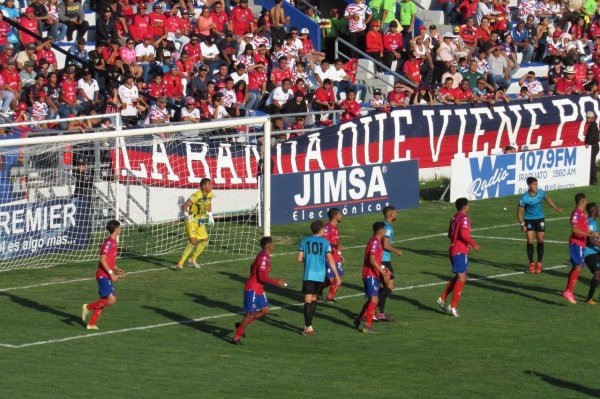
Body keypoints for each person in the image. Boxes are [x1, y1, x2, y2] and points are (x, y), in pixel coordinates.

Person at [231, 236, 287, 345]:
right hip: (252, 289)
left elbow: (252, 267)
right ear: (269, 245)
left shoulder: (262, 255)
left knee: (265, 311)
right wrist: (277, 282)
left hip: (259, 289)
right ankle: (235, 338)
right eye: (273, 243)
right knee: (250, 315)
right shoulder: (264, 258)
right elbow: (261, 276)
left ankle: (241, 325)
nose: (274, 245)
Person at [437, 197, 480, 317]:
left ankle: (442, 299)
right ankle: (453, 306)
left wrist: (462, 243)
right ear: (465, 206)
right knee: (462, 278)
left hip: (453, 248)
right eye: (468, 205)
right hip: (459, 250)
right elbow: (464, 234)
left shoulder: (454, 217)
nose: (469, 207)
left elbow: (450, 235)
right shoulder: (465, 218)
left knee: (458, 277)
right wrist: (474, 244)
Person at [297, 220, 341, 336]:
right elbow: (330, 259)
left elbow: (299, 259)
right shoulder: (325, 242)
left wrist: (308, 258)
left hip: (309, 275)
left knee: (307, 301)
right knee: (314, 299)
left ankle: (308, 327)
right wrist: (336, 275)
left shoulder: (304, 241)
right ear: (321, 230)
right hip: (320, 276)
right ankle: (310, 325)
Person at [81, 220, 125, 330]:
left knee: (103, 300)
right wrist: (111, 273)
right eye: (119, 227)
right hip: (103, 275)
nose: (121, 229)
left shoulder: (114, 242)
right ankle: (87, 307)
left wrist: (117, 269)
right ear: (115, 229)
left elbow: (109, 261)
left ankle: (91, 324)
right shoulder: (109, 242)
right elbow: (102, 259)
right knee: (112, 300)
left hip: (106, 275)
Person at [517, 177, 562, 274]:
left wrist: (556, 208)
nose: (536, 186)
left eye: (536, 184)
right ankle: (531, 264)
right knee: (530, 240)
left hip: (540, 219)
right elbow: (519, 212)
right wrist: (522, 224)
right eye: (534, 184)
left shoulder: (541, 193)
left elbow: (547, 199)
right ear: (529, 186)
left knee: (541, 240)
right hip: (529, 220)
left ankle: (539, 263)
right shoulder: (524, 198)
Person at [355, 221, 390, 333]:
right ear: (380, 230)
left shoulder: (377, 242)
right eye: (384, 229)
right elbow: (371, 259)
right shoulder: (375, 242)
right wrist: (382, 272)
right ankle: (367, 326)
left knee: (372, 298)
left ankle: (359, 319)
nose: (385, 230)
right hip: (369, 274)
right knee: (374, 299)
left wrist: (383, 269)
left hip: (373, 274)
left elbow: (376, 261)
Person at [563, 193, 597, 304]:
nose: (586, 202)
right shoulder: (576, 214)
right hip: (576, 243)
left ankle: (569, 291)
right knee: (579, 267)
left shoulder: (583, 214)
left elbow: (585, 230)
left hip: (581, 244)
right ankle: (568, 291)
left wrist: (594, 234)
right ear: (582, 201)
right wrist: (588, 235)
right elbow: (574, 229)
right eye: (586, 201)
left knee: (578, 267)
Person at [177, 178, 215, 269]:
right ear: (203, 186)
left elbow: (209, 204)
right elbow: (185, 206)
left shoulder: (210, 194)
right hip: (191, 220)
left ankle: (193, 258)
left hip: (201, 220)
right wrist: (187, 215)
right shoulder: (196, 195)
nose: (211, 186)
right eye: (209, 184)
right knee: (193, 241)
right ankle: (180, 262)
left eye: (211, 184)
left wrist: (210, 216)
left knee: (205, 240)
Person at [377, 205, 403, 321]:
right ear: (390, 214)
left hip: (382, 259)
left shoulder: (384, 226)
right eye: (395, 212)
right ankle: (372, 310)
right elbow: (385, 245)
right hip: (384, 260)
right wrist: (397, 250)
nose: (396, 214)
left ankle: (379, 313)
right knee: (389, 286)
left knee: (383, 286)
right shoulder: (387, 228)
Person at [320, 208, 345, 303]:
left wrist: (339, 254)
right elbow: (324, 242)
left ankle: (329, 297)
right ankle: (317, 290)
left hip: (335, 257)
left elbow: (335, 243)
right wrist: (335, 246)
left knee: (338, 279)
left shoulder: (335, 228)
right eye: (339, 214)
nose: (341, 216)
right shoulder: (327, 228)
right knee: (331, 280)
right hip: (328, 257)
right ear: (335, 216)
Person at [583, 203, 600, 304]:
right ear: (592, 211)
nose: (599, 210)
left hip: (596, 250)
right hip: (589, 252)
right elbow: (590, 241)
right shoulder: (590, 223)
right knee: (598, 273)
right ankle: (589, 298)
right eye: (597, 209)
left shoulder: (594, 222)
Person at [584, 110, 599, 185]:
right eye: (587, 118)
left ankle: (593, 180)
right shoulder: (593, 125)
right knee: (592, 163)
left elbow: (592, 136)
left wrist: (587, 143)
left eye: (588, 118)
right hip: (594, 146)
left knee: (592, 164)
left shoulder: (593, 125)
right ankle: (593, 180)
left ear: (593, 118)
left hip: (594, 146)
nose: (587, 119)